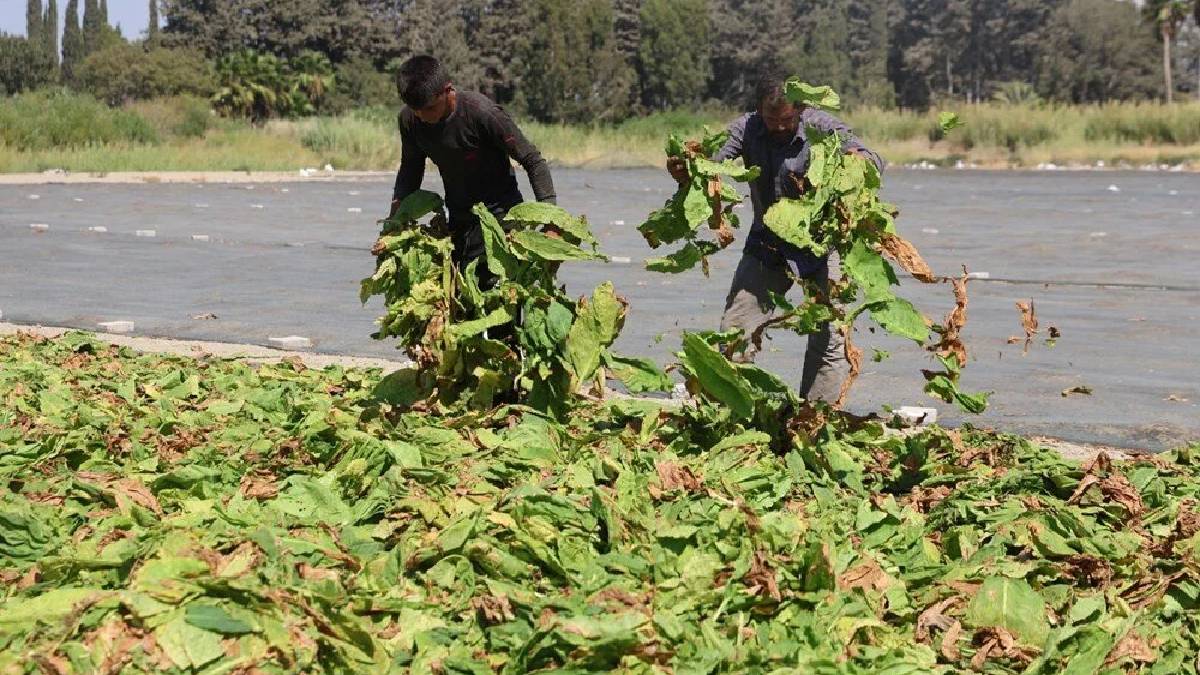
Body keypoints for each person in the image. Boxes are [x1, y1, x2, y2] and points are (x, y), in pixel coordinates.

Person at [669, 69, 883, 404]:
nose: (780, 127)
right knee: (736, 329)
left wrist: (858, 161)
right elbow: (709, 164)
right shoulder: (746, 128)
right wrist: (687, 169)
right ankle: (728, 407)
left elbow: (872, 159)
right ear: (759, 110)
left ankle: (815, 415)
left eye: (787, 120)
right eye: (772, 120)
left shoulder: (821, 127)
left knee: (828, 337)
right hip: (767, 243)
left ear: (800, 111)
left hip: (823, 243)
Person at [390, 55, 557, 276]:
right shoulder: (410, 121)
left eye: (428, 108)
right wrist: (394, 224)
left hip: (502, 222)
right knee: (457, 293)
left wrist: (552, 223)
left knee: (500, 294)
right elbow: (410, 171)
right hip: (459, 222)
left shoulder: (481, 113)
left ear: (447, 90)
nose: (421, 116)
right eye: (414, 109)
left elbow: (533, 161)